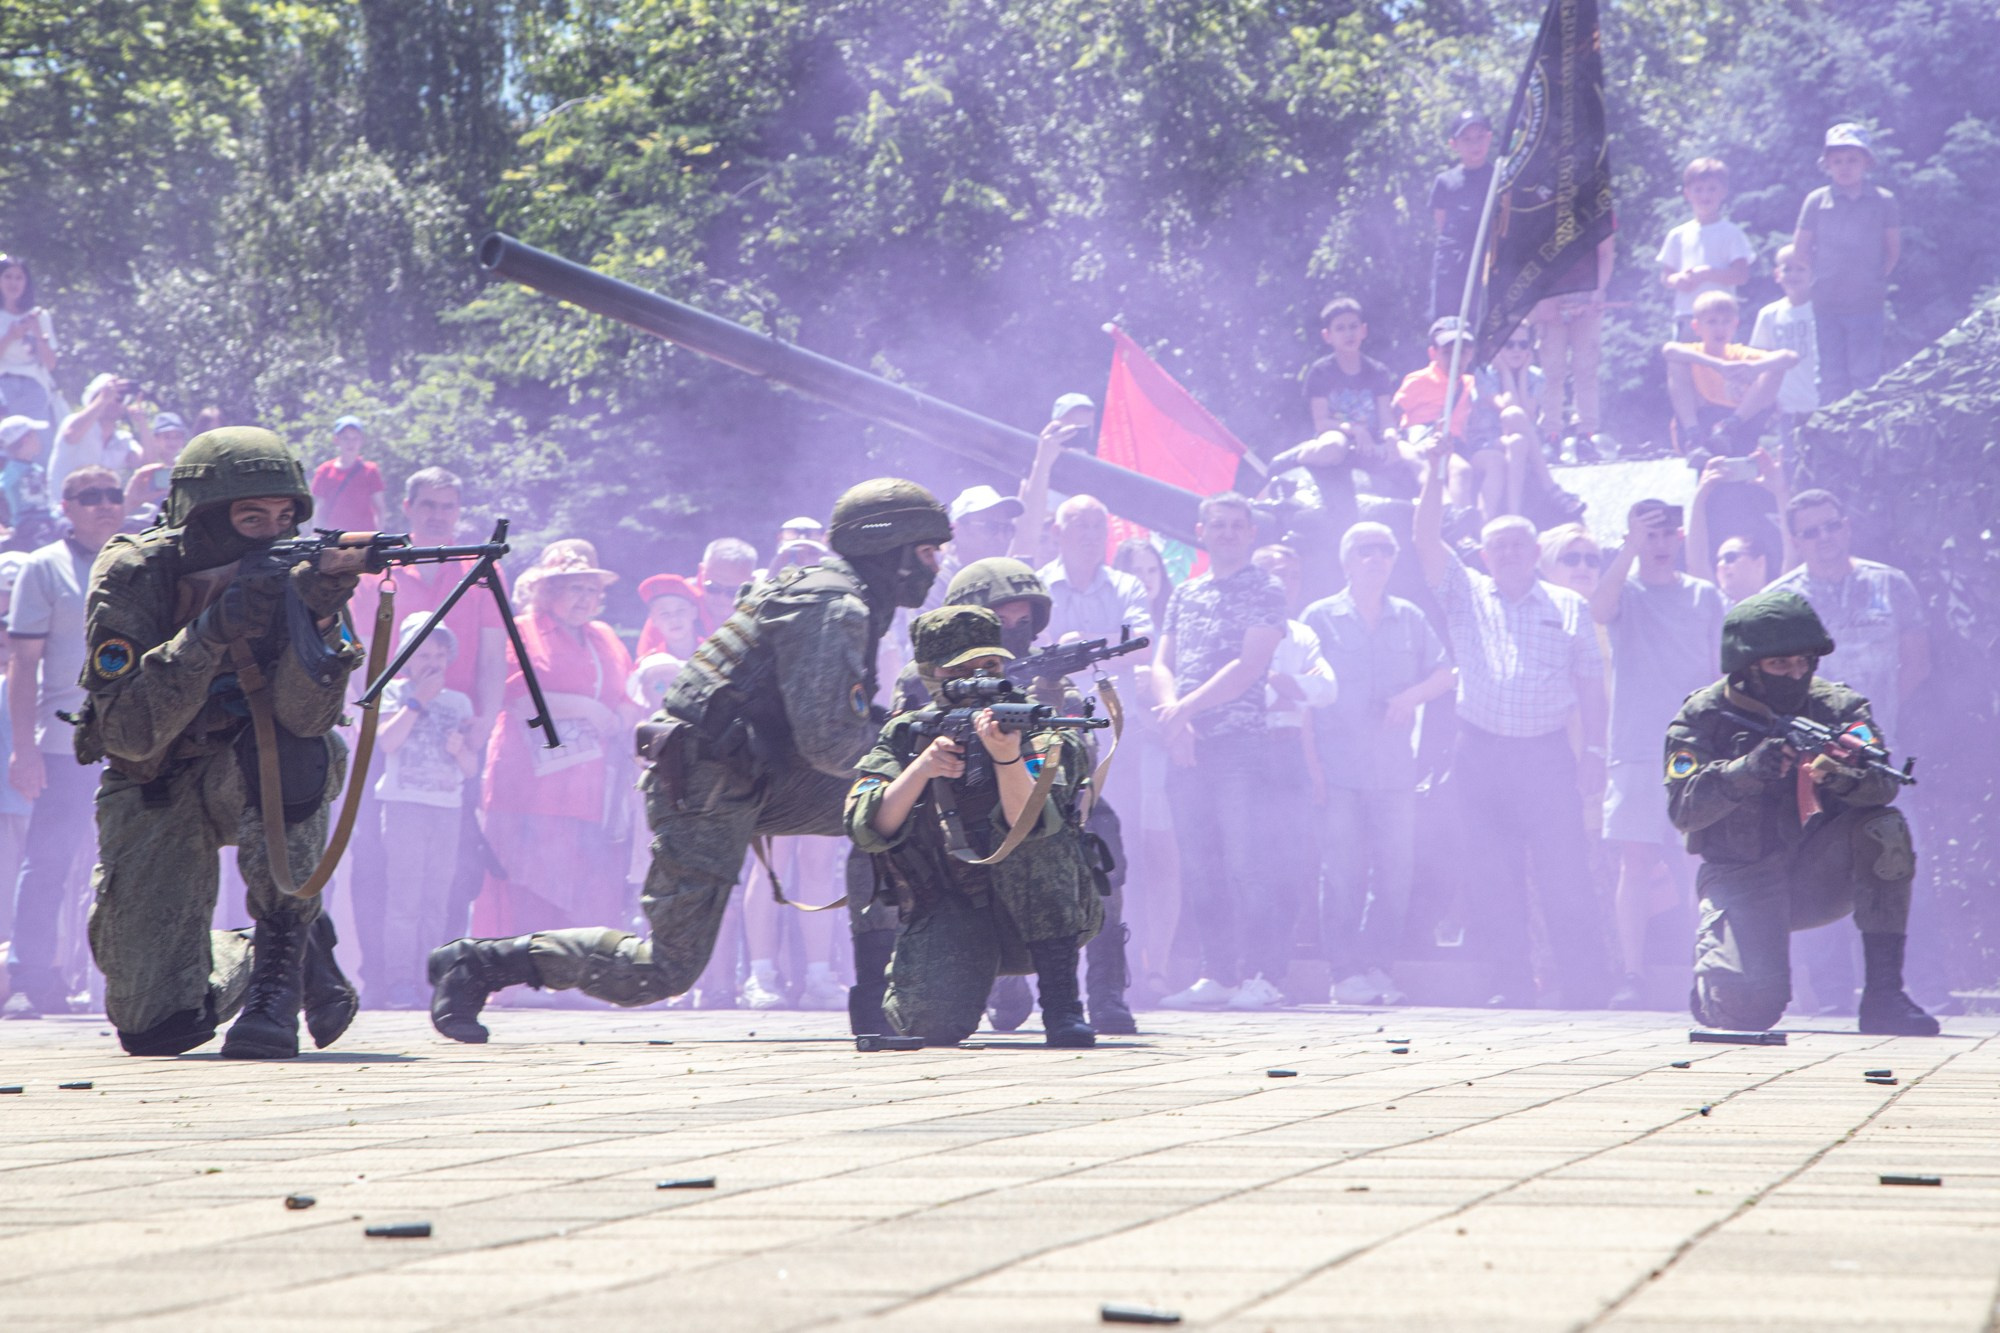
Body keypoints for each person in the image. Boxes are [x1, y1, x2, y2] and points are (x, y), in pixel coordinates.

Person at [426, 479, 950, 1042]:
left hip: (751, 772)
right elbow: (829, 741)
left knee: (897, 809)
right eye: (926, 551)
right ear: (888, 546)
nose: (935, 564)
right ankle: (481, 963)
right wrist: (910, 755)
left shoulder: (836, 595)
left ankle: (877, 1003)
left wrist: (906, 750)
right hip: (708, 784)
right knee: (662, 971)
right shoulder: (834, 605)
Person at [75, 427, 364, 1057]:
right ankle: (262, 944)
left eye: (284, 516)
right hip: (154, 778)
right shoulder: (136, 571)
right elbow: (127, 733)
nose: (270, 531)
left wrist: (317, 619)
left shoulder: (305, 576)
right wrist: (209, 632)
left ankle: (280, 966)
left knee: (297, 757)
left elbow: (308, 719)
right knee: (157, 1025)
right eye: (250, 516)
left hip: (253, 766)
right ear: (203, 517)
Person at [1668, 588, 1935, 1035]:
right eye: (1779, 665)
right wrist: (1745, 771)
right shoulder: (1704, 715)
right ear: (1747, 668)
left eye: (1803, 663)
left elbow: (1885, 785)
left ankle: (1885, 994)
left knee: (1884, 828)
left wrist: (1840, 776)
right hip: (1743, 875)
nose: (1795, 675)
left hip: (1817, 871)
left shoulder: (1838, 707)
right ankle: (1715, 984)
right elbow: (1683, 810)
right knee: (1749, 1008)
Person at [1412, 435, 1611, 1006]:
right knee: (1492, 877)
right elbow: (1424, 538)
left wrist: (1594, 753)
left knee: (1565, 875)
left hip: (1547, 755)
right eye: (1499, 547)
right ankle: (1510, 987)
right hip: (1480, 755)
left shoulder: (1569, 605)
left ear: (1535, 552)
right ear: (1483, 556)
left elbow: (1591, 687)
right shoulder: (1463, 593)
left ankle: (1585, 987)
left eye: (1521, 545)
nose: (1510, 554)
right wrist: (1431, 469)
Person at [846, 606, 1102, 1047]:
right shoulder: (907, 733)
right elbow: (867, 828)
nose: (980, 679)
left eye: (990, 666)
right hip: (954, 905)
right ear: (932, 675)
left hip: (1042, 914)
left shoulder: (1037, 724)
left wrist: (1006, 757)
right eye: (963, 670)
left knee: (1042, 844)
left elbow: (1037, 820)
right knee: (930, 1024)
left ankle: (1062, 1007)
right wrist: (922, 769)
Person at [345, 466, 509, 994]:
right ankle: (380, 978)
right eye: (429, 506)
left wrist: (485, 718)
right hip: (392, 723)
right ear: (408, 508)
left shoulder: (480, 567)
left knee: (455, 862)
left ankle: (441, 977)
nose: (439, 515)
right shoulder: (380, 568)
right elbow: (360, 653)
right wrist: (358, 715)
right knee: (374, 855)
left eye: (449, 506)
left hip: (453, 730)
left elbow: (490, 656)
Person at [1302, 522, 1454, 1006]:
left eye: (1384, 550)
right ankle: (1344, 974)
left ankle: (1377, 966)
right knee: (1343, 873)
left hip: (1393, 771)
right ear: (1347, 561)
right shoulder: (1319, 617)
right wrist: (1312, 768)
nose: (1375, 558)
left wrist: (1411, 696)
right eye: (1364, 550)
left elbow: (1446, 672)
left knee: (1395, 874)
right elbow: (1301, 696)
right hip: (1339, 768)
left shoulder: (1409, 618)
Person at [1588, 500, 1726, 1007]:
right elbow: (1597, 612)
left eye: (1667, 533)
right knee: (1635, 861)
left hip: (1694, 751)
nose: (1660, 543)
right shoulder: (1624, 592)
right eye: (1650, 535)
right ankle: (1632, 974)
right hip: (1635, 745)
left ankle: (1707, 970)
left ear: (1679, 535)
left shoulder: (1705, 596)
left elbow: (1720, 671)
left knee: (1698, 861)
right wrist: (1628, 545)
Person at [1154, 493, 1288, 1011]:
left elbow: (1250, 666)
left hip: (1240, 745)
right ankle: (1219, 973)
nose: (1228, 533)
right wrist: (1175, 720)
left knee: (1249, 863)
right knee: (1200, 864)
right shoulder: (1184, 595)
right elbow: (1162, 665)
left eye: (1238, 525)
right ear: (1201, 532)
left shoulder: (1266, 588)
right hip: (1187, 747)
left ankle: (1265, 975)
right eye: (1219, 525)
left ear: (1251, 533)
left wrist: (1182, 712)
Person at [3, 468, 129, 1018]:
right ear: (67, 506)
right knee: (49, 861)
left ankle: (123, 974)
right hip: (63, 740)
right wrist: (23, 748)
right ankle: (34, 970)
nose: (104, 506)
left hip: (132, 739)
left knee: (128, 860)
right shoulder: (41, 567)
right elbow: (22, 664)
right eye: (90, 497)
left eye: (113, 496)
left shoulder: (138, 562)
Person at [472, 542, 635, 938]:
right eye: (573, 588)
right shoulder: (524, 630)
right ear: (548, 592)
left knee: (585, 881)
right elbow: (515, 695)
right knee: (525, 880)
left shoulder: (604, 636)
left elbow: (628, 696)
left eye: (591, 589)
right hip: (528, 785)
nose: (585, 598)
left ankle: (576, 978)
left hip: (588, 790)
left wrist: (621, 719)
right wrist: (587, 708)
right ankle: (517, 978)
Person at [372, 616, 478, 1008]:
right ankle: (399, 981)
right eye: (422, 655)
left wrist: (460, 752)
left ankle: (430, 980)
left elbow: (470, 768)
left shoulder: (460, 703)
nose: (432, 662)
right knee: (405, 899)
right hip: (404, 806)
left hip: (446, 808)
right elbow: (387, 742)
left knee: (437, 898)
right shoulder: (394, 694)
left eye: (438, 654)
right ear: (407, 659)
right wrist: (420, 699)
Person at [1766, 489, 1927, 740]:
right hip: (1811, 749)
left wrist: (1874, 713)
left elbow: (1917, 664)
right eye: (1811, 532)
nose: (1824, 537)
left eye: (1832, 526)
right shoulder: (1778, 600)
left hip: (1880, 743)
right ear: (1795, 542)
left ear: (1847, 526)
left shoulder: (1891, 583)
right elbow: (1769, 678)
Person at [1793, 124, 1900, 405]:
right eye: (1837, 161)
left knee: (1865, 376)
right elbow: (1801, 250)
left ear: (1867, 161)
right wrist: (1825, 276)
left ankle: (1865, 440)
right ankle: (1829, 440)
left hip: (1867, 304)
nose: (1845, 167)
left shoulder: (1883, 200)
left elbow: (1892, 251)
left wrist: (1871, 280)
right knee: (1830, 376)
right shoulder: (1817, 201)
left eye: (1852, 159)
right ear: (1827, 164)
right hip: (1826, 305)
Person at [1663, 291, 1798, 456]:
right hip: (1702, 418)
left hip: (1736, 422)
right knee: (1677, 362)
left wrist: (1756, 367)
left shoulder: (1740, 354)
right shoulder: (1694, 351)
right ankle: (1693, 437)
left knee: (1775, 367)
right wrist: (1718, 365)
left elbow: (1790, 357)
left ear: (1734, 325)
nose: (1720, 328)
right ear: (1697, 327)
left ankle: (1729, 428)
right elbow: (1669, 350)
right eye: (1712, 322)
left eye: (1726, 322)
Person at [1529, 226, 1617, 459]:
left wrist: (1599, 290)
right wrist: (1542, 298)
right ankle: (1551, 435)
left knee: (1586, 369)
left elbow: (1606, 253)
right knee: (1552, 371)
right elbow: (1531, 253)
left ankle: (1586, 435)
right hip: (1550, 299)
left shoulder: (1596, 204)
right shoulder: (1544, 203)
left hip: (1587, 298)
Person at [1656, 158, 1753, 339]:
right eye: (1698, 190)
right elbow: (1666, 276)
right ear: (1687, 193)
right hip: (1687, 316)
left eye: (1711, 189)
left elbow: (1741, 275)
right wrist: (1677, 280)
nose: (1705, 195)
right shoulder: (1677, 235)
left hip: (1721, 318)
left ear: (1723, 192)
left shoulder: (1732, 233)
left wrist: (1707, 273)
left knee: (1719, 366)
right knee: (1683, 366)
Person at [1748, 246, 1820, 449]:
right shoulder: (1769, 314)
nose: (1794, 274)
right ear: (1777, 274)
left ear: (1813, 272)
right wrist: (1768, 400)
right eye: (1787, 269)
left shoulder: (1823, 310)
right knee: (1791, 463)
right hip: (1788, 407)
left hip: (1822, 402)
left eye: (1801, 269)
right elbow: (1759, 360)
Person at [1429, 112, 1496, 321]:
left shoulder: (1500, 177)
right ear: (1453, 144)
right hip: (1452, 264)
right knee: (1447, 321)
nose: (1474, 144)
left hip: (1488, 263)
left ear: (1489, 138)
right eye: (1466, 139)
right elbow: (1441, 222)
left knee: (1484, 321)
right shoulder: (1444, 181)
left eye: (1479, 137)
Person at [0, 256, 57, 468]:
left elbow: (50, 364)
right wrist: (10, 336)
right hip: (2, 387)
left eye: (19, 277)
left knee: (36, 445)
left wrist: (37, 332)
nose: (13, 283)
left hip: (34, 385)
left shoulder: (40, 316)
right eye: (7, 277)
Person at [50, 374, 148, 495]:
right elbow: (71, 435)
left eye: (119, 399)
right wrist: (103, 398)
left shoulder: (123, 439)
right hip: (64, 510)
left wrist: (142, 423)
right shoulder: (74, 422)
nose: (112, 402)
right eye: (107, 395)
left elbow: (146, 463)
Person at [308, 416, 388, 534]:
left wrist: (378, 536)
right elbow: (320, 509)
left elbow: (380, 509)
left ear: (361, 441)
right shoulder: (324, 471)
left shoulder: (370, 471)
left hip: (364, 538)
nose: (351, 443)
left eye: (355, 438)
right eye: (345, 438)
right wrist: (317, 536)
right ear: (336, 440)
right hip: (334, 538)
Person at [694, 536, 759, 633]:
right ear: (701, 571)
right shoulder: (677, 600)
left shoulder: (759, 616)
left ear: (751, 582)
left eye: (732, 592)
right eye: (713, 587)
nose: (721, 598)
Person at [635, 572, 704, 661]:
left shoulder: (715, 653)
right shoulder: (650, 664)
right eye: (664, 614)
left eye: (680, 611)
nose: (674, 619)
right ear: (654, 620)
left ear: (694, 612)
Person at [0, 414, 50, 534]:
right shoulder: (11, 474)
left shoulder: (36, 468)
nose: (39, 439)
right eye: (35, 435)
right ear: (26, 439)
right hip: (29, 529)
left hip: (47, 522)